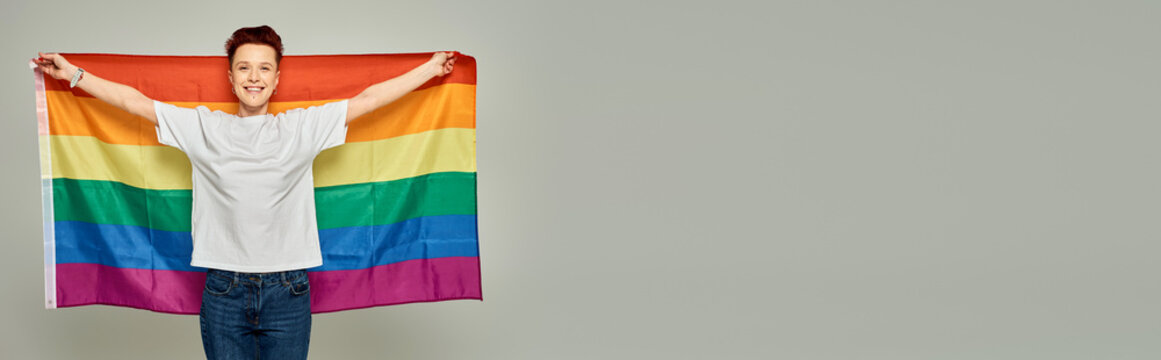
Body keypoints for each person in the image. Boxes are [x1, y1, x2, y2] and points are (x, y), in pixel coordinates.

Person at [33, 25, 456, 360]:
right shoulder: (203, 127)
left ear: (277, 79)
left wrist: (431, 69)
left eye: (264, 68)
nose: (254, 77)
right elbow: (135, 103)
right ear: (231, 77)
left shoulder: (302, 127)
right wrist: (74, 75)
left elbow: (369, 99)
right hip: (224, 290)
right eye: (244, 68)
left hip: (289, 289)